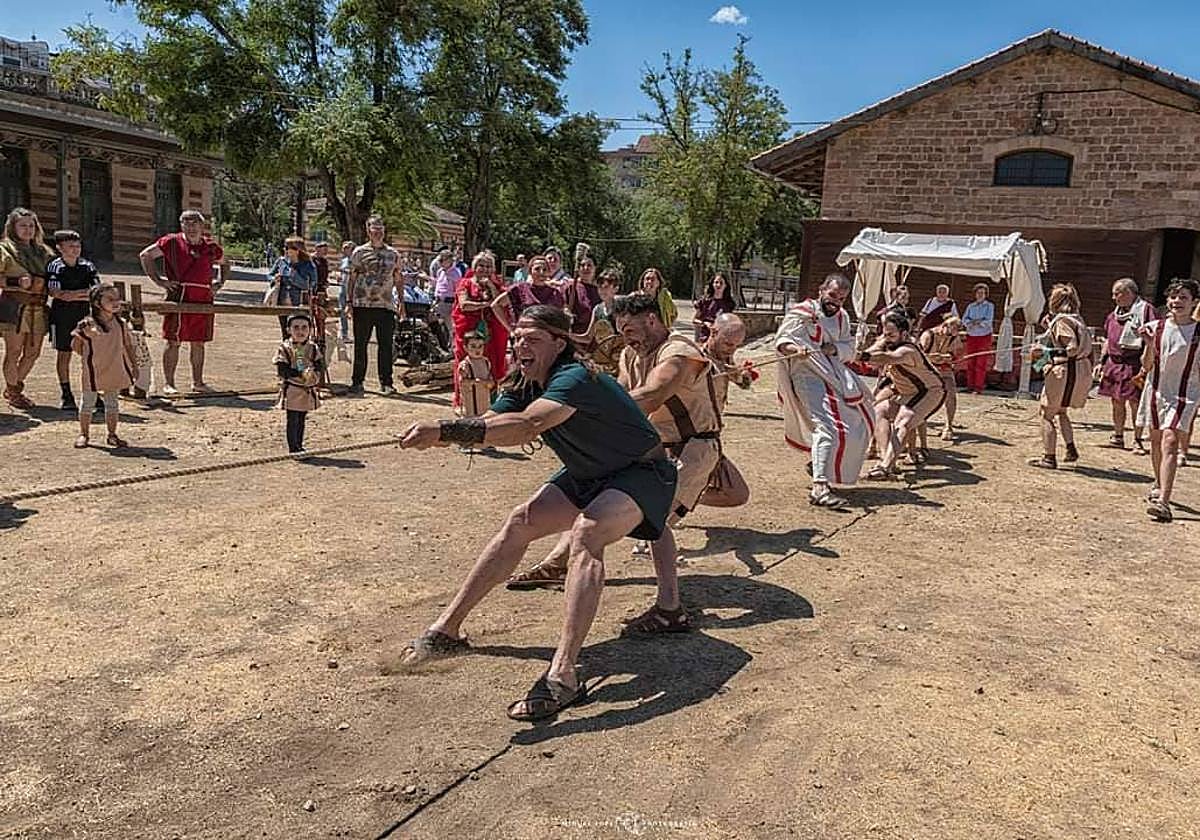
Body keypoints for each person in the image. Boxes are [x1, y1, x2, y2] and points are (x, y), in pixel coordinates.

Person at [394, 305, 678, 722]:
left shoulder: (573, 377)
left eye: (532, 339)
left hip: (642, 473)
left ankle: (564, 674)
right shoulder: (525, 381)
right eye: (517, 339)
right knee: (521, 521)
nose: (519, 345)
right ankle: (447, 629)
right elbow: (492, 423)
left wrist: (446, 430)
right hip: (590, 474)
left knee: (587, 534)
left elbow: (527, 426)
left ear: (559, 344)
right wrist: (445, 436)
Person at [775, 274, 874, 507]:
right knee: (826, 428)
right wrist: (795, 349)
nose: (836, 301)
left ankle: (819, 464)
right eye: (832, 295)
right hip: (807, 377)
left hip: (833, 375)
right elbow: (782, 340)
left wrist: (835, 348)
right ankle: (819, 487)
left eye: (841, 298)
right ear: (821, 290)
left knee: (859, 421)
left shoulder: (842, 317)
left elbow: (848, 346)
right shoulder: (802, 312)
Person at [138, 210, 228, 396]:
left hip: (203, 297)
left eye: (195, 223)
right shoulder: (171, 242)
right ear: (181, 225)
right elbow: (145, 255)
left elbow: (224, 262)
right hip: (179, 295)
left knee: (199, 342)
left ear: (202, 226)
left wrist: (219, 283)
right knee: (173, 341)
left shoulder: (210, 247)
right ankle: (169, 384)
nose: (191, 227)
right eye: (186, 223)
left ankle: (198, 382)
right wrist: (159, 281)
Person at [1137, 278, 1200, 522]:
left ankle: (1163, 502)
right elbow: (1146, 365)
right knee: (1155, 441)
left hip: (1185, 394)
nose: (1177, 301)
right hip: (1156, 391)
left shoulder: (1198, 332)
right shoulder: (1156, 328)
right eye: (1173, 296)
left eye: (1183, 297)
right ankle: (1158, 482)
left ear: (1194, 302)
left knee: (1170, 440)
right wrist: (1149, 345)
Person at [860, 312, 946, 480]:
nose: (888, 338)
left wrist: (861, 355)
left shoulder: (908, 349)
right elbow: (871, 357)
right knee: (879, 411)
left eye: (892, 335)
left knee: (904, 420)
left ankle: (885, 468)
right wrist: (882, 341)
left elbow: (887, 358)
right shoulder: (888, 342)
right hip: (905, 391)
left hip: (929, 391)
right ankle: (887, 460)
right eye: (885, 334)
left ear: (904, 334)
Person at [1029, 283, 1093, 470]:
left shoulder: (1062, 321)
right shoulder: (1077, 319)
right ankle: (1070, 448)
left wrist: (1044, 351)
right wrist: (1050, 328)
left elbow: (1071, 348)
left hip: (1065, 371)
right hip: (1079, 371)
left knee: (1047, 414)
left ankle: (1048, 457)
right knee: (1061, 411)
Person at [1, 207, 56, 410]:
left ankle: (13, 387)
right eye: (22, 225)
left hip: (38, 307)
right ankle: (15, 392)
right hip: (13, 306)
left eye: (31, 225)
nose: (27, 229)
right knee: (14, 351)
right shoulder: (4, 250)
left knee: (33, 352)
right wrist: (16, 281)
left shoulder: (45, 252)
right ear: (13, 227)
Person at [71, 284, 138, 449]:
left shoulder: (121, 323)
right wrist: (90, 356)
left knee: (112, 403)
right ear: (97, 303)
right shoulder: (87, 324)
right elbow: (75, 345)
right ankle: (84, 434)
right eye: (110, 299)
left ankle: (112, 435)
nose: (115, 302)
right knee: (87, 403)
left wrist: (134, 365)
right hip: (93, 370)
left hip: (114, 368)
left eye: (117, 299)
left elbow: (128, 345)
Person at [346, 215, 403, 396]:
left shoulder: (393, 254)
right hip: (362, 304)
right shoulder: (359, 252)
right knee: (360, 345)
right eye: (374, 228)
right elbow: (351, 278)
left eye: (380, 228)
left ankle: (386, 382)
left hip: (385, 305)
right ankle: (357, 382)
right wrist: (348, 302)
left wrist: (401, 302)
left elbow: (398, 278)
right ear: (368, 230)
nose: (378, 232)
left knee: (386, 345)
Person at [1097, 277, 1155, 453]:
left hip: (1135, 364)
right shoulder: (1114, 315)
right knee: (1116, 401)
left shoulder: (1146, 311)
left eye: (1117, 293)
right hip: (1114, 364)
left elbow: (1154, 336)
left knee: (1135, 403)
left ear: (1129, 292)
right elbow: (1107, 339)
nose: (1113, 297)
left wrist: (1148, 364)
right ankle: (1118, 436)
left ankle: (1137, 439)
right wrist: (1101, 361)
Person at [46, 229, 99, 411]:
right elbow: (56, 293)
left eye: (77, 246)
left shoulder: (87, 266)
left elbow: (96, 292)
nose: (75, 250)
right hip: (61, 316)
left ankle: (93, 392)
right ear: (59, 248)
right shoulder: (55, 266)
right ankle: (66, 394)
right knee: (64, 354)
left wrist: (71, 294)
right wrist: (81, 294)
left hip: (84, 316)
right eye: (70, 246)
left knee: (90, 354)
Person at [451, 251, 508, 407]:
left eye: (488, 266)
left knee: (491, 363)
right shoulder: (465, 283)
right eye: (481, 265)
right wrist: (486, 305)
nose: (485, 269)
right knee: (466, 364)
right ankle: (464, 401)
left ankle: (490, 401)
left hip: (490, 333)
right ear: (474, 267)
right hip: (469, 331)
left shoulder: (497, 285)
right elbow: (464, 304)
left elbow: (501, 302)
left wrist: (491, 286)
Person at [274, 313, 323, 453]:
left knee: (302, 419)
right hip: (293, 390)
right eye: (296, 327)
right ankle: (293, 448)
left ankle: (299, 445)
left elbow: (319, 364)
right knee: (293, 419)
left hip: (306, 389)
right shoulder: (285, 348)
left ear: (310, 330)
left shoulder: (313, 348)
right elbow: (282, 370)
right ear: (288, 330)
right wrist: (299, 374)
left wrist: (314, 373)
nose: (300, 331)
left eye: (304, 327)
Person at [918, 315, 964, 442]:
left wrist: (950, 357)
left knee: (951, 394)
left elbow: (958, 353)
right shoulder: (928, 335)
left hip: (944, 369)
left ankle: (948, 426)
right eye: (949, 333)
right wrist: (931, 357)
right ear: (944, 326)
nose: (950, 336)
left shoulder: (954, 336)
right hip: (927, 369)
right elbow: (917, 356)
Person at [490, 254, 565, 331]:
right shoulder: (519, 289)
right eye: (537, 269)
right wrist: (510, 328)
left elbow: (560, 316)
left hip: (547, 336)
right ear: (530, 271)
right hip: (524, 335)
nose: (541, 272)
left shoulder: (555, 293)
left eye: (545, 269)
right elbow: (496, 305)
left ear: (549, 272)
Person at [268, 236, 318, 338]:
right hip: (282, 300)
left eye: (288, 248)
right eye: (285, 247)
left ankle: (299, 348)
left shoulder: (308, 264)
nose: (285, 250)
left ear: (297, 250)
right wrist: (274, 279)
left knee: (298, 328)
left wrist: (294, 276)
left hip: (300, 301)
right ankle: (286, 346)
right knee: (284, 329)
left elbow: (312, 284)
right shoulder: (281, 261)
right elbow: (270, 275)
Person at [961, 283, 995, 394]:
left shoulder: (989, 306)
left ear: (986, 295)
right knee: (970, 361)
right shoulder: (971, 306)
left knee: (981, 362)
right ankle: (970, 385)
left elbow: (988, 321)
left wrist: (976, 322)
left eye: (982, 293)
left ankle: (978, 387)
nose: (980, 295)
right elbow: (964, 320)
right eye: (978, 293)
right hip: (971, 336)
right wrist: (974, 322)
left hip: (984, 336)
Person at [457, 325, 495, 419]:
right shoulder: (465, 365)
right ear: (466, 348)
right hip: (470, 403)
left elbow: (491, 381)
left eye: (480, 346)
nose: (477, 350)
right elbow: (462, 382)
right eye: (473, 346)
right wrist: (474, 381)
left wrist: (488, 383)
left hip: (484, 401)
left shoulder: (486, 362)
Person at [561, 243, 602, 328]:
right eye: (582, 265)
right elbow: (562, 305)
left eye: (589, 265)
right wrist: (565, 312)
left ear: (595, 268)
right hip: (573, 330)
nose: (585, 268)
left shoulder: (599, 291)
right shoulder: (570, 287)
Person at [693, 272, 736, 342]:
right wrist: (705, 323)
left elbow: (730, 323)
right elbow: (695, 320)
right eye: (716, 282)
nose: (718, 285)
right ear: (712, 284)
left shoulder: (729, 304)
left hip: (721, 340)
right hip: (705, 338)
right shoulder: (704, 301)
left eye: (721, 283)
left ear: (725, 285)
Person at [432, 249, 463, 328]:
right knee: (434, 322)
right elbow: (438, 284)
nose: (440, 262)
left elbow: (458, 290)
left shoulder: (455, 273)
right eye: (439, 260)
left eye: (442, 260)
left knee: (450, 327)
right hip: (438, 302)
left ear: (449, 260)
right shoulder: (440, 271)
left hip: (449, 303)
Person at [337, 240, 354, 341]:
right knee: (342, 311)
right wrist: (340, 276)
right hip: (343, 288)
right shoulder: (343, 260)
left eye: (346, 248)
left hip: (352, 290)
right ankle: (344, 334)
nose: (344, 250)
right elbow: (341, 271)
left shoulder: (355, 260)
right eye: (344, 248)